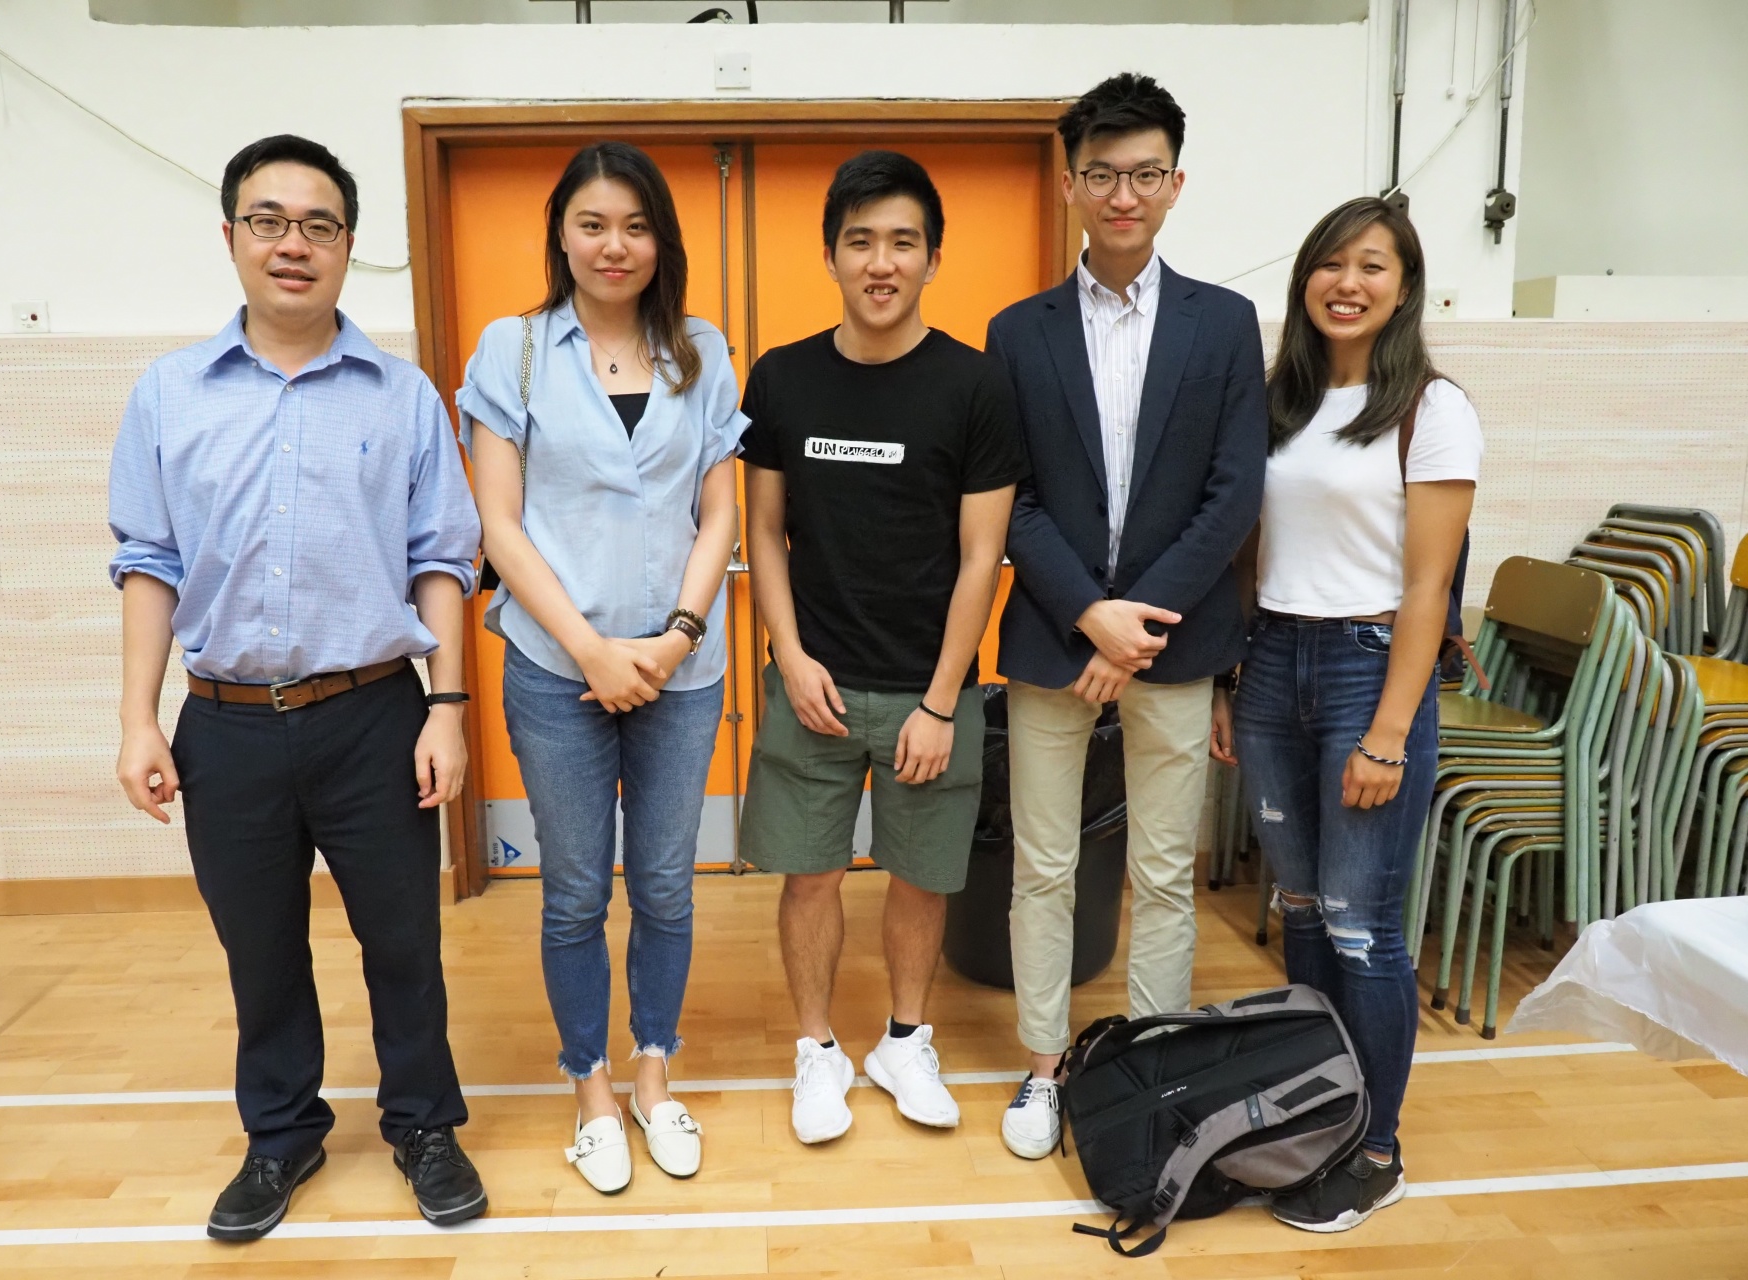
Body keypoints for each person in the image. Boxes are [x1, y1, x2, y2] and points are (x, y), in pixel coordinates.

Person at [109, 135, 487, 1240]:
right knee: (260, 948)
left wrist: (448, 710)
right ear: (231, 236)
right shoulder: (170, 393)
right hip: (224, 725)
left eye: (318, 225)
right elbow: (148, 561)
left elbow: (443, 557)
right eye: (269, 221)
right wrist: (137, 718)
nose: (293, 244)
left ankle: (423, 1124)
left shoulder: (402, 395)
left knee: (404, 941)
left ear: (347, 247)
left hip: (375, 714)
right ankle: (281, 1134)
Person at [984, 72, 1269, 1161]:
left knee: (1161, 872)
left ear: (1175, 184)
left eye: (1145, 174)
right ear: (1069, 184)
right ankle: (1044, 1065)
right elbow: (1011, 496)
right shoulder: (1018, 332)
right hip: (1052, 636)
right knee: (1043, 866)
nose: (1122, 194)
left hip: (1178, 643)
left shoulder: (1225, 323)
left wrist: (1135, 625)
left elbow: (1232, 494)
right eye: (1101, 173)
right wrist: (1089, 612)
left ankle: (1150, 1066)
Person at [460, 142, 743, 1195]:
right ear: (562, 235)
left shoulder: (700, 349)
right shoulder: (516, 348)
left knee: (665, 886)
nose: (613, 245)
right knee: (575, 891)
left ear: (661, 239)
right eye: (592, 224)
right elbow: (498, 521)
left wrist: (674, 638)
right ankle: (590, 1088)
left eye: (635, 225)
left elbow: (719, 510)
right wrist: (589, 648)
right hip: (556, 669)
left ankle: (654, 1073)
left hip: (681, 670)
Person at [740, 151, 1025, 1146]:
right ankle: (817, 1049)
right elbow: (762, 530)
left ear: (933, 258)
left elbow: (984, 553)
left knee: (922, 873)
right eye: (860, 240)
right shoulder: (781, 377)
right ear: (830, 254)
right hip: (812, 682)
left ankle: (905, 1041)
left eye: (903, 242)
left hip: (928, 691)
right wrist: (788, 655)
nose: (881, 261)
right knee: (809, 875)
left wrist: (943, 700)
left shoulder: (975, 384)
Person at [1214, 197, 1479, 1231]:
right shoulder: (1279, 401)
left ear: (1404, 287)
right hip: (1274, 662)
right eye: (1331, 263)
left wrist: (1388, 732)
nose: (1348, 283)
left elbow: (1428, 589)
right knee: (1305, 912)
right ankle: (1324, 1117)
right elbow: (1250, 552)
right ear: (1305, 280)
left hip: (1370, 671)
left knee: (1364, 929)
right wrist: (1234, 681)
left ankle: (1377, 1151)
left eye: (1372, 265)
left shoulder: (1432, 408)